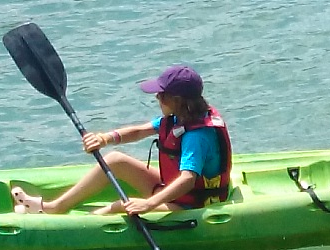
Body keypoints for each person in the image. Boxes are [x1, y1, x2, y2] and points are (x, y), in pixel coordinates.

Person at [35, 64, 233, 215]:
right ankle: (55, 207)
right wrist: (105, 138)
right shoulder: (177, 119)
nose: (157, 97)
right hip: (172, 192)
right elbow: (139, 131)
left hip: (192, 205)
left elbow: (188, 180)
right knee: (114, 160)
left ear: (177, 100)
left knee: (121, 206)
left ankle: (79, 225)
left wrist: (148, 204)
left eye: (161, 94)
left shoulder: (197, 136)